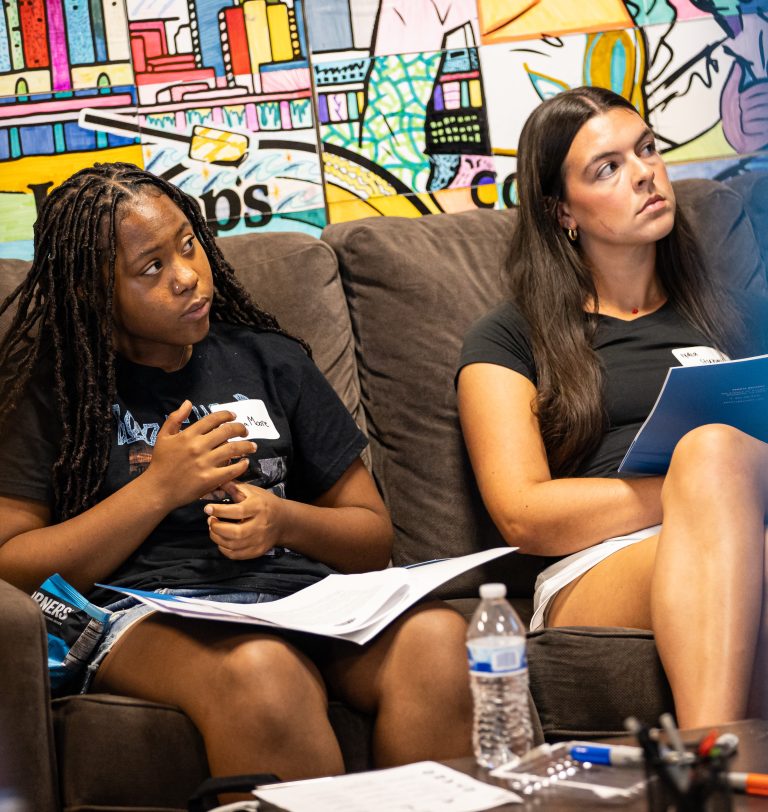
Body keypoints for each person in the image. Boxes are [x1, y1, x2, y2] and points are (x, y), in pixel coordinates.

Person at [0, 162, 472, 782]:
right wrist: (158, 490)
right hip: (146, 610)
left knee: (439, 641)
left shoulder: (269, 360)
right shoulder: (53, 390)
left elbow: (370, 536)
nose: (188, 276)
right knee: (263, 670)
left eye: (188, 245)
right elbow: (12, 564)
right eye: (152, 268)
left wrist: (283, 520)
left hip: (298, 598)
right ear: (92, 290)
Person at [457, 85, 768, 729]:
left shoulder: (738, 315)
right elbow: (522, 514)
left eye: (647, 150)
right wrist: (701, 483)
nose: (645, 173)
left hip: (746, 532)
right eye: (609, 167)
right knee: (712, 450)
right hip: (596, 564)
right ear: (561, 211)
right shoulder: (510, 338)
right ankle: (707, 764)